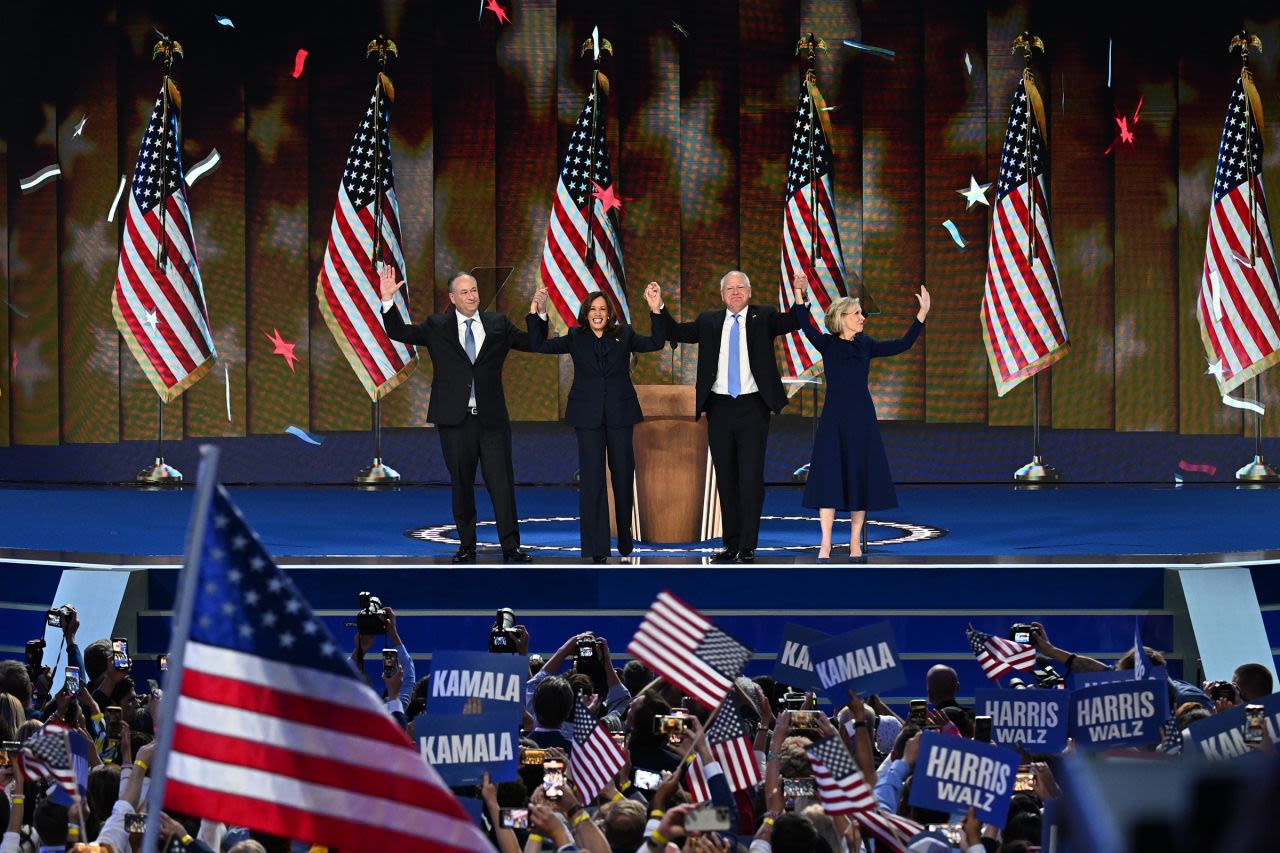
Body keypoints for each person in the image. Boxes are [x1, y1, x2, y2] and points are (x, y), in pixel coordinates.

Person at [378, 267, 534, 563]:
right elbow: (400, 332)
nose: (471, 296)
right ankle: (467, 546)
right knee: (461, 484)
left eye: (474, 290)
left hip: (492, 421)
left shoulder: (498, 323)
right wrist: (387, 300)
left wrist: (538, 317)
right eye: (464, 292)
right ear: (452, 297)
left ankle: (511, 547)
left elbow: (531, 343)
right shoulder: (437, 326)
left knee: (501, 484)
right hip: (455, 420)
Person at [661, 271, 806, 563]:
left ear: (750, 293)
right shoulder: (708, 321)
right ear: (722, 294)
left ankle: (748, 546)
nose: (736, 292)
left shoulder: (764, 317)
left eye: (741, 287)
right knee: (726, 480)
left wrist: (799, 294)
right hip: (720, 409)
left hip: (753, 407)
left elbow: (795, 321)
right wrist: (658, 308)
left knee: (750, 479)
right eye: (730, 288)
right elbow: (675, 332)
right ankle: (731, 544)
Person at [790, 274, 929, 561]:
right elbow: (805, 324)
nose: (862, 317)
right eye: (856, 314)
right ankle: (826, 544)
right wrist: (799, 293)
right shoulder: (827, 344)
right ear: (842, 318)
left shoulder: (866, 345)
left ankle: (855, 543)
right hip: (834, 420)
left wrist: (922, 315)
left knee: (859, 477)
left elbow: (902, 344)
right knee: (830, 478)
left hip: (862, 419)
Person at [526, 283, 666, 561]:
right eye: (593, 309)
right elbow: (539, 345)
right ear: (585, 313)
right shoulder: (575, 336)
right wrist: (539, 313)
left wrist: (656, 309)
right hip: (587, 417)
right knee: (592, 481)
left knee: (623, 476)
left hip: (620, 415)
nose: (598, 313)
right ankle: (596, 547)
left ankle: (625, 538)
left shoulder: (623, 334)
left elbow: (656, 343)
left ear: (610, 313)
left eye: (602, 309)